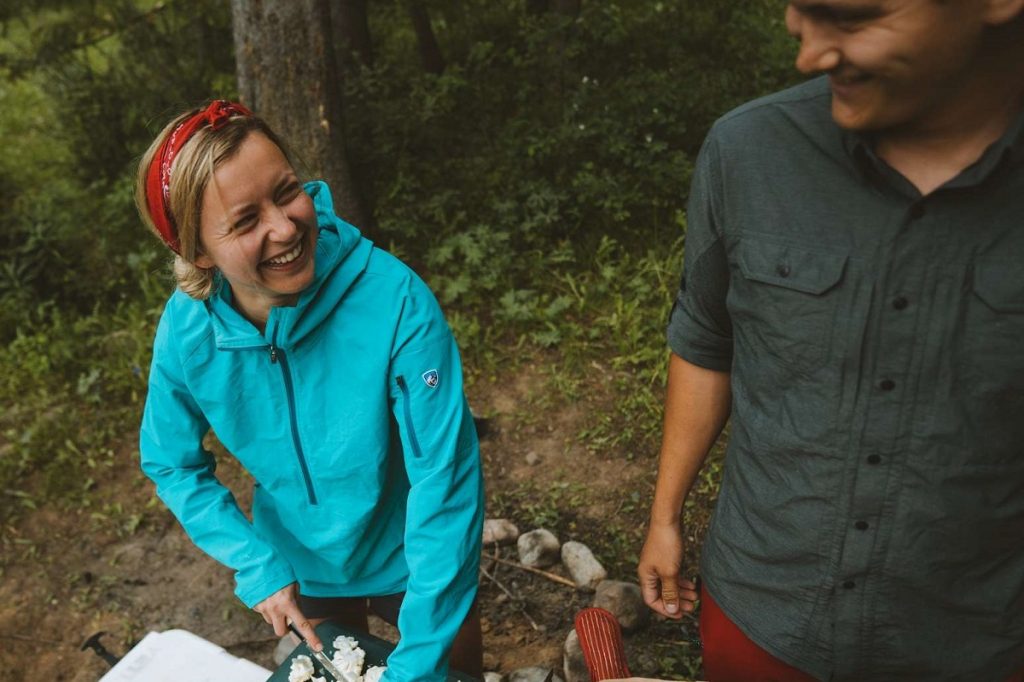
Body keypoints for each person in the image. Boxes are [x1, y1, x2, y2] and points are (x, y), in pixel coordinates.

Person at [637, 1, 1024, 680]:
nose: (809, 56)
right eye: (800, 16)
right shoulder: (749, 151)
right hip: (760, 617)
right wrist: (665, 516)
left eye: (851, 17)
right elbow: (705, 338)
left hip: (976, 643)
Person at [135, 100, 485, 681]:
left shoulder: (395, 303)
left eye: (287, 192)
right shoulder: (187, 331)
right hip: (305, 563)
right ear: (197, 251)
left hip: (417, 554)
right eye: (246, 221)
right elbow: (171, 463)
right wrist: (256, 564)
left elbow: (444, 482)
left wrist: (418, 666)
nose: (284, 226)